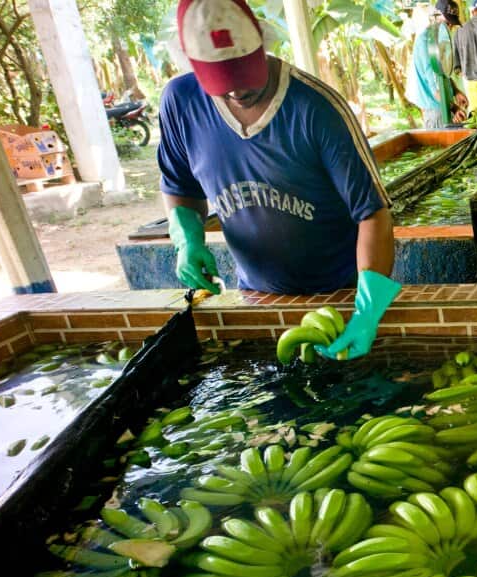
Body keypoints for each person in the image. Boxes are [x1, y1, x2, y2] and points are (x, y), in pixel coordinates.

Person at [159, 0, 399, 361]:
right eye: (221, 83)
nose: (237, 92)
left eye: (243, 74)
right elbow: (180, 189)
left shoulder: (316, 109)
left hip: (339, 293)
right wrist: (186, 239)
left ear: (262, 43)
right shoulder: (180, 103)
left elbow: (373, 213)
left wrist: (367, 311)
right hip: (255, 295)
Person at [406, 0, 467, 128]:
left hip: (445, 105)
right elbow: (436, 88)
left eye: (452, 24)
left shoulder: (440, 38)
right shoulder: (427, 41)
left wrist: (456, 92)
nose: (449, 27)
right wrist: (454, 108)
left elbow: (443, 73)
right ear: (435, 16)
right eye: (447, 22)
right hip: (437, 111)